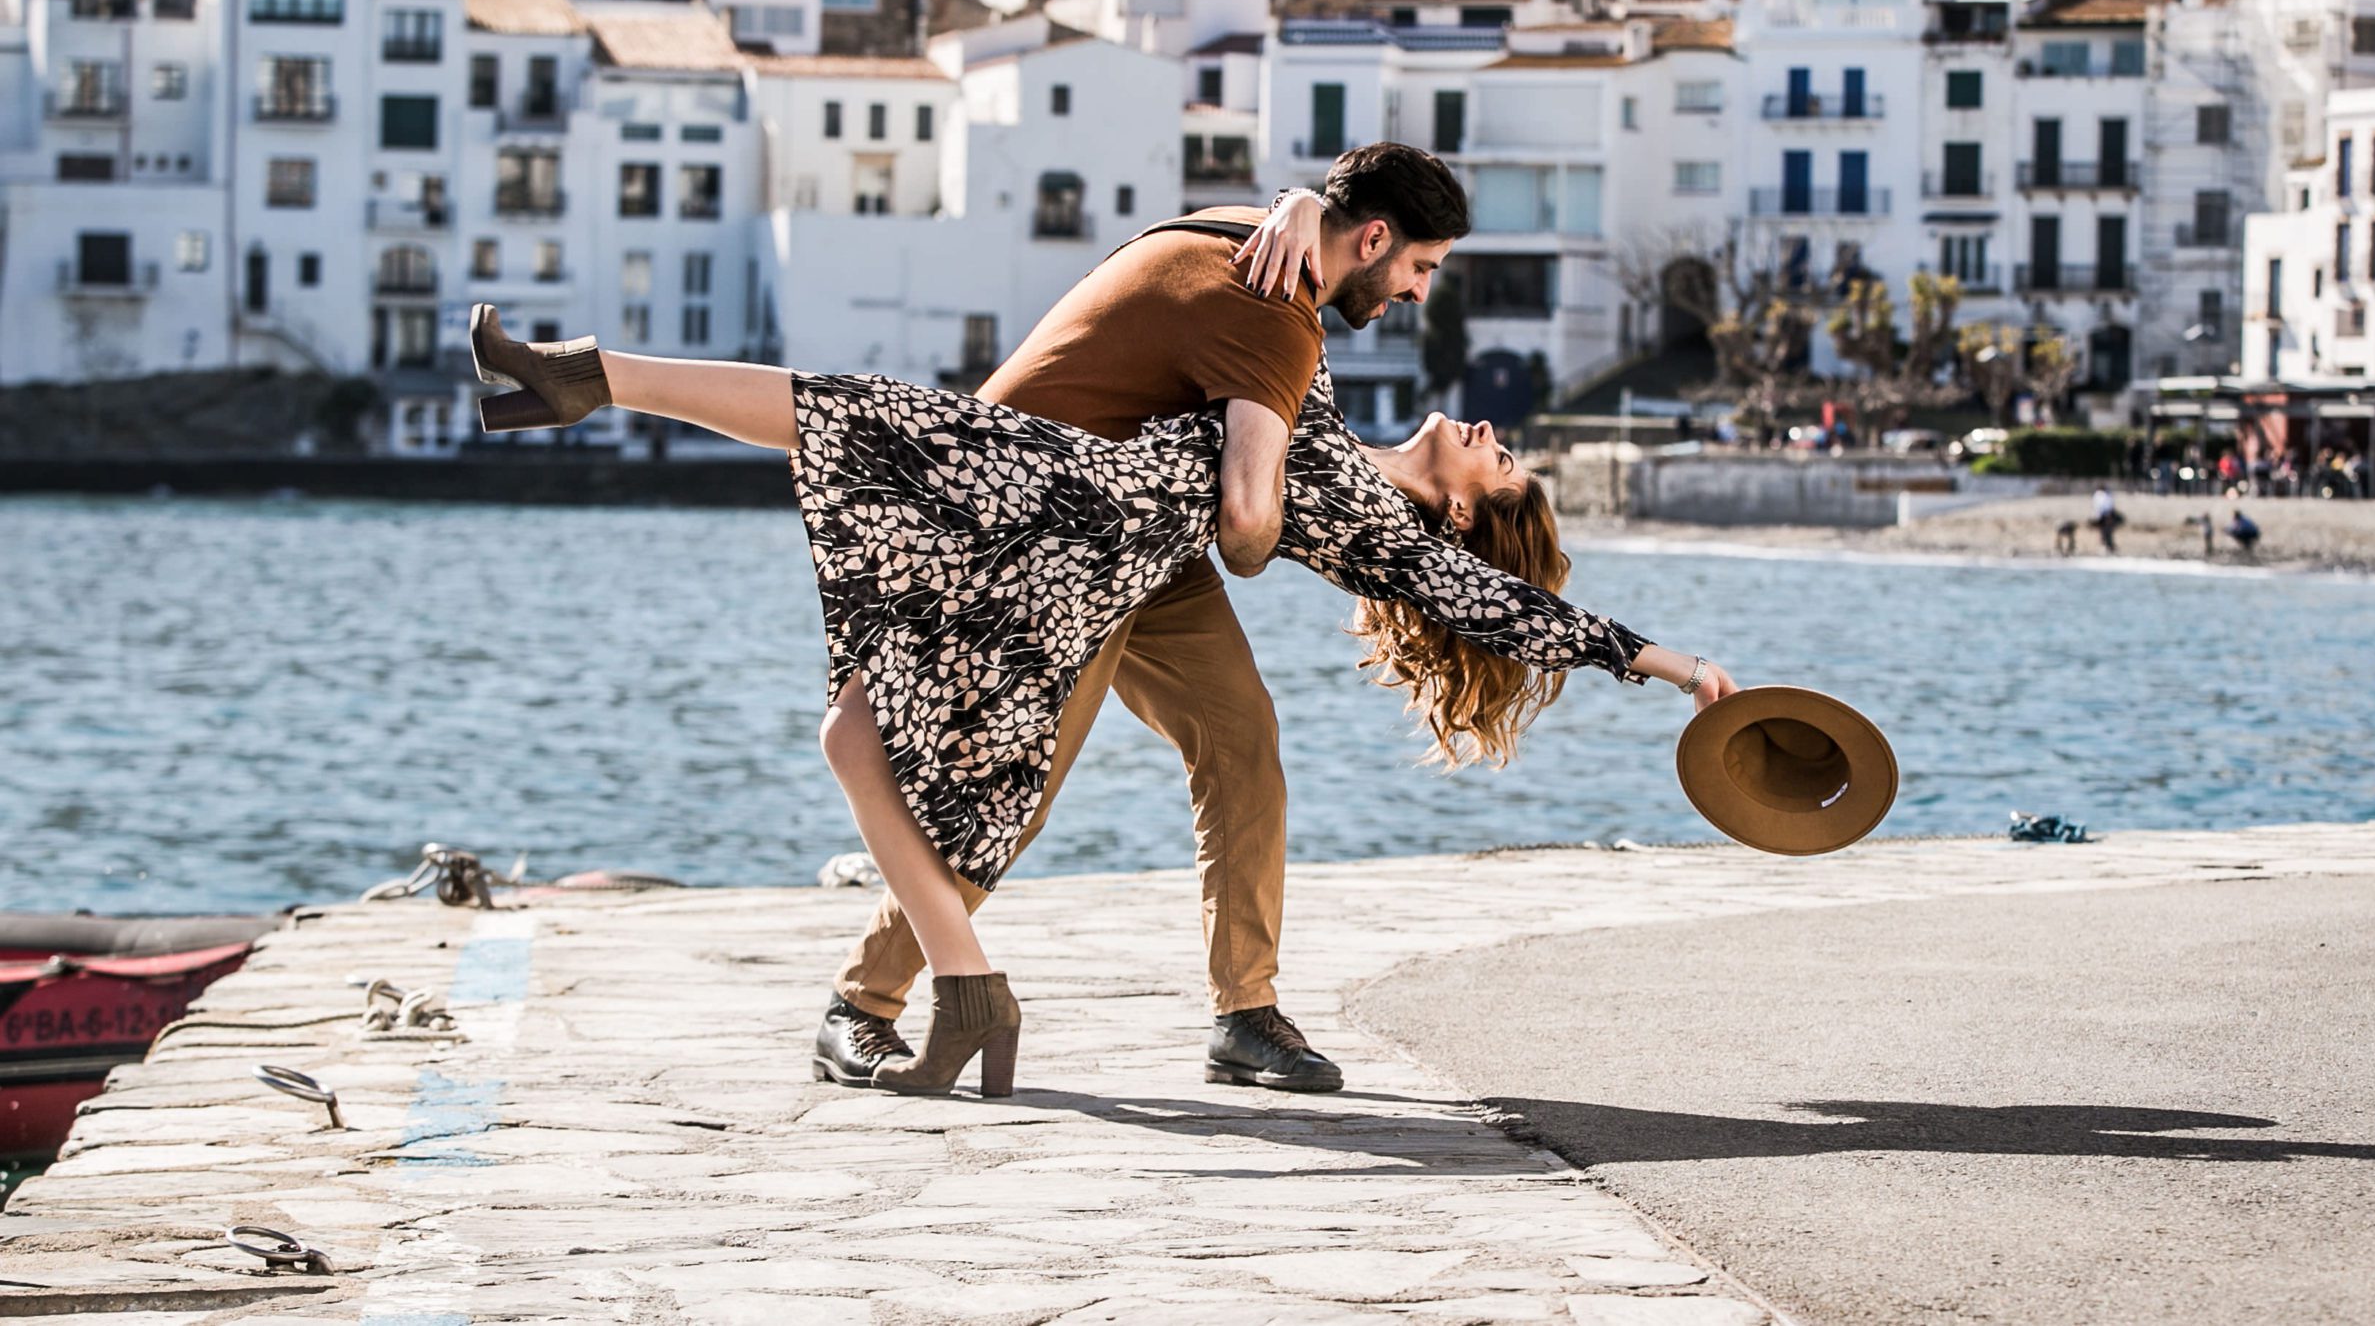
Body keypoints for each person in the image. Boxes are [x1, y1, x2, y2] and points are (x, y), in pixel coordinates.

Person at [465, 148, 1737, 1100]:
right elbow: (1253, 449)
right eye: (1416, 268)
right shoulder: (1301, 335)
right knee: (1002, 794)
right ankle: (866, 999)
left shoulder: (1362, 464)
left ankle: (1247, 1014)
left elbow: (1447, 582)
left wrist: (1653, 658)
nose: (1417, 295)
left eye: (1503, 474)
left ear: (1467, 518)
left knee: (1241, 741)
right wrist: (1297, 209)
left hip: (1131, 545)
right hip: (1053, 536)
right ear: (1376, 237)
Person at [2090, 485, 2121, 554]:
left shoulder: (2099, 495)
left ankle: (2107, 546)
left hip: (2102, 515)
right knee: (2105, 532)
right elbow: (2107, 505)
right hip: (2104, 516)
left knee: (2105, 532)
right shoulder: (2102, 495)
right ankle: (2107, 546)